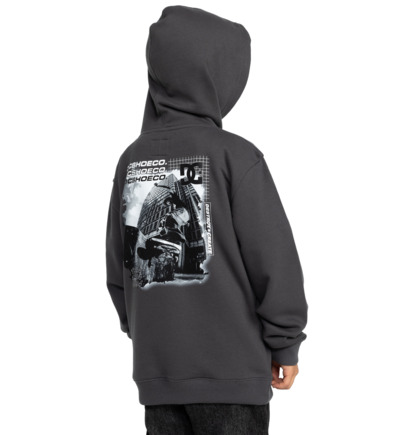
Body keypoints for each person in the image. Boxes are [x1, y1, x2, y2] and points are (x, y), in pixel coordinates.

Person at [106, 5, 308, 434]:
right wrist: (285, 343)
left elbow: (118, 267)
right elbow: (273, 259)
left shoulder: (132, 160)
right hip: (231, 374)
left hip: (159, 371)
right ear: (217, 76)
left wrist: (142, 330)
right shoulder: (236, 156)